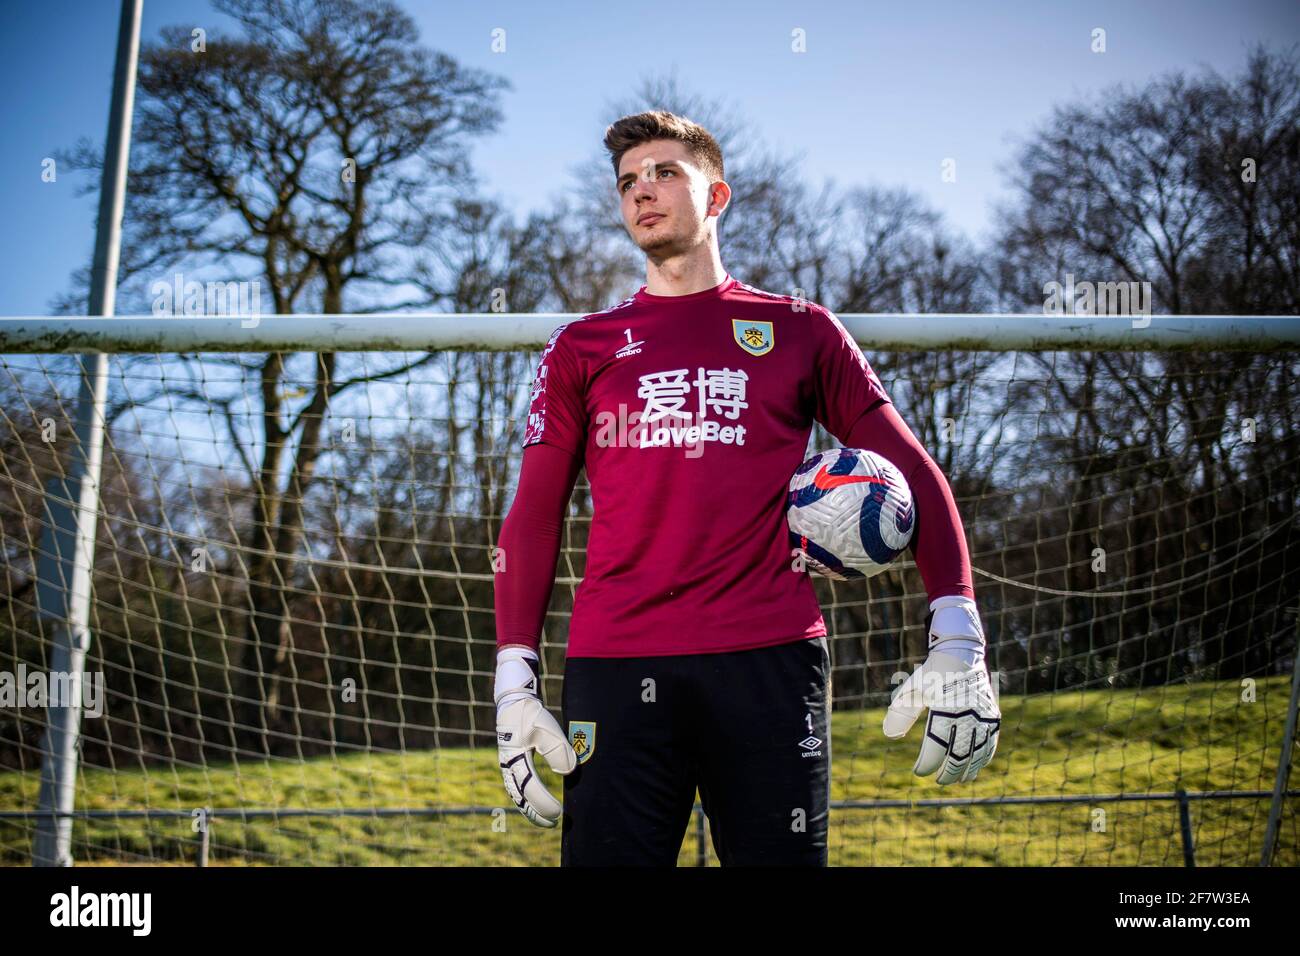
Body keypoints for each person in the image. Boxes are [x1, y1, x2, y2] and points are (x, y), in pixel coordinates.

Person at [492, 111, 1000, 867]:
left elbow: (915, 473)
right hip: (616, 663)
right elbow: (532, 519)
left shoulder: (800, 330)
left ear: (717, 195)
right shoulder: (581, 347)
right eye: (629, 181)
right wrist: (514, 676)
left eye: (665, 172)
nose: (643, 191)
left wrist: (958, 640)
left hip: (770, 662)